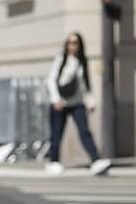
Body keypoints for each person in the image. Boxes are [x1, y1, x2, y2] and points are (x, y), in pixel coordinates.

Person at [45, 32, 111, 175]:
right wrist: (56, 99)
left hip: (77, 103)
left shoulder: (82, 62)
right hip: (60, 103)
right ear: (66, 45)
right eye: (70, 42)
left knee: (84, 131)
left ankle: (96, 160)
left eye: (75, 43)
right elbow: (50, 80)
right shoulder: (61, 59)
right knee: (56, 133)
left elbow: (84, 84)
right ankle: (53, 161)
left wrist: (91, 101)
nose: (72, 46)